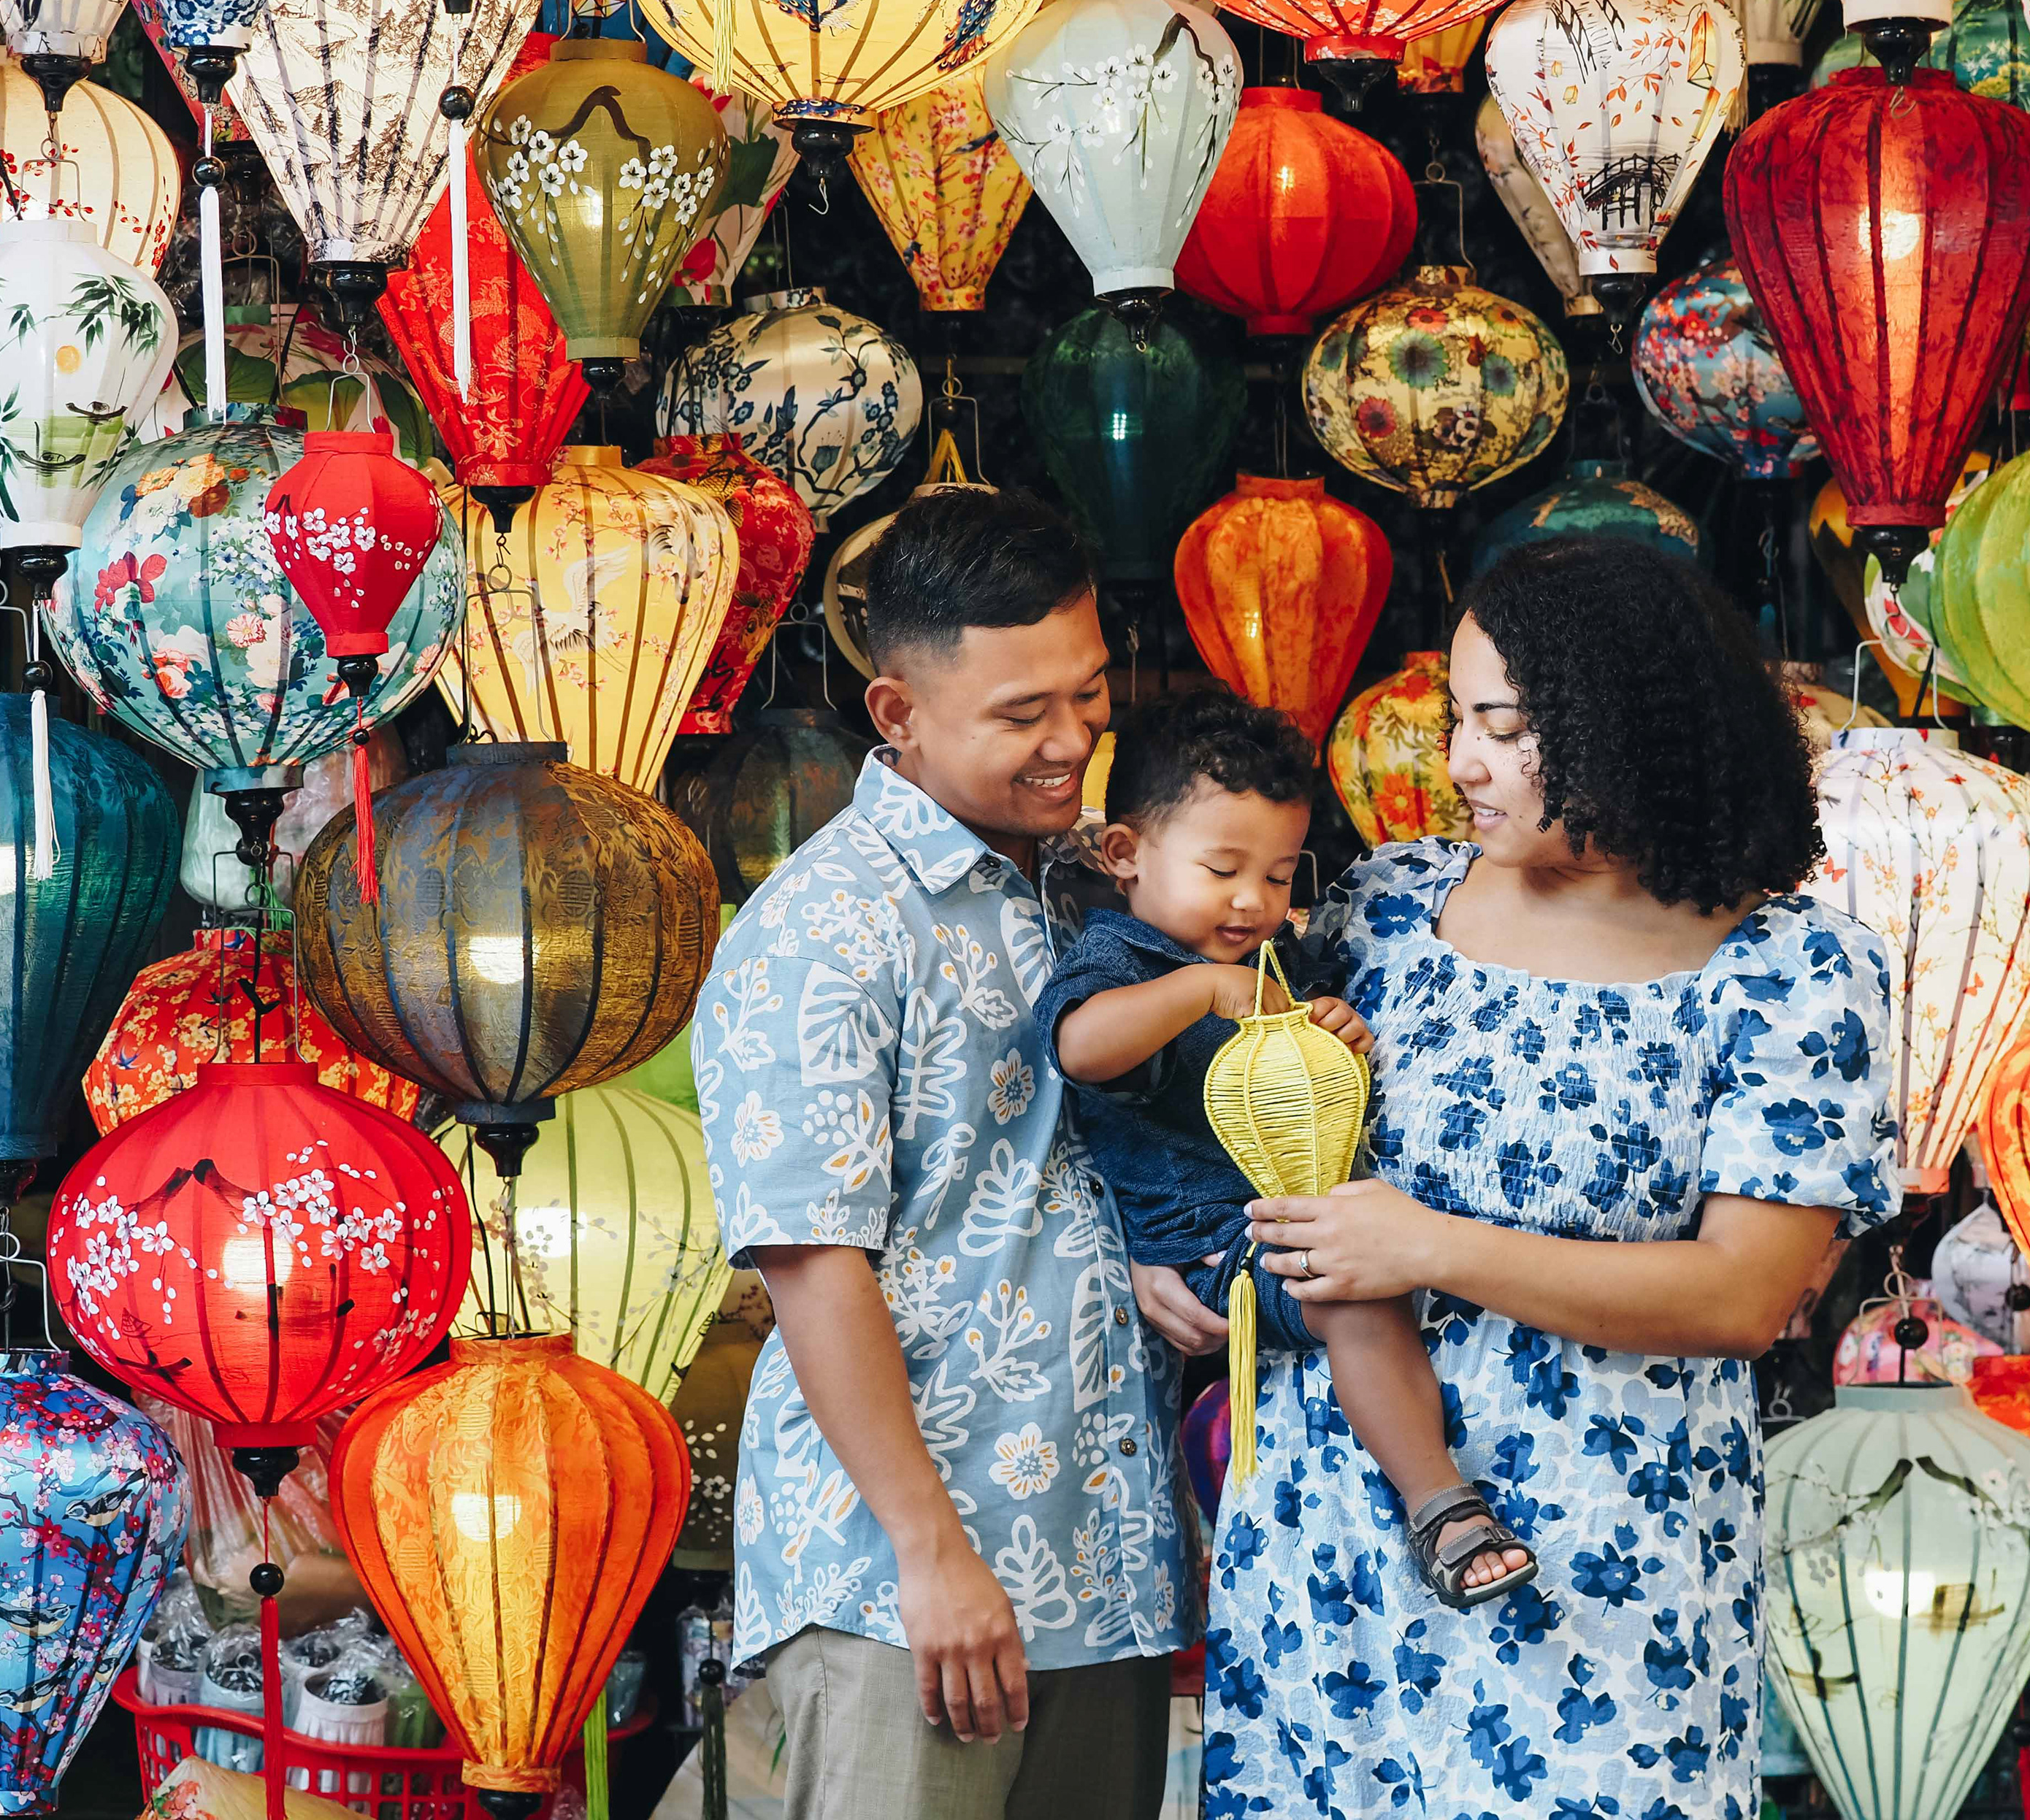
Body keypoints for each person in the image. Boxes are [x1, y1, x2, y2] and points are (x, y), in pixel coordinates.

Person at [1187, 540, 1900, 1818]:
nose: (1462, 763)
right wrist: (1167, 1250)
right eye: (1460, 721)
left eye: (1508, 730)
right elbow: (1215, 1097)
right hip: (1332, 1537)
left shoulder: (1792, 970)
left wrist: (1431, 1246)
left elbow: (1744, 1296)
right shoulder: (1385, 908)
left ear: (1624, 730)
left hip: (1608, 1560)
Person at [692, 488, 1194, 1820]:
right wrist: (930, 1550)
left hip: (1107, 1560)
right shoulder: (825, 928)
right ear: (898, 714)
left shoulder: (1098, 884)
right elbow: (814, 1262)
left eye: (1088, 693)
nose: (1072, 740)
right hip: (904, 1585)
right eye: (1022, 714)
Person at [1034, 690, 1539, 1610]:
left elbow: (1302, 1051)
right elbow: (1080, 1047)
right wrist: (1201, 990)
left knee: (1359, 1273)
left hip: (1283, 1221)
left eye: (1276, 875)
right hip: (1210, 1246)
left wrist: (1332, 1026)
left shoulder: (1276, 958)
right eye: (1221, 868)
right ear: (1125, 853)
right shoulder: (1121, 961)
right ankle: (1441, 1503)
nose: (1252, 901)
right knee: (1354, 1293)